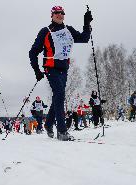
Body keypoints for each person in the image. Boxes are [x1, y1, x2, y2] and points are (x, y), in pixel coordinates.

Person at [29, 6, 93, 141]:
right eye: (56, 13)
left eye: (62, 13)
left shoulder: (68, 30)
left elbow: (84, 38)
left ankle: (48, 124)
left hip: (64, 69)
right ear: (52, 15)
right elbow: (33, 52)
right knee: (60, 94)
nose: (60, 15)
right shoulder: (45, 31)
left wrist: (86, 23)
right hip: (50, 68)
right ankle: (62, 131)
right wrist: (37, 71)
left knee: (58, 96)